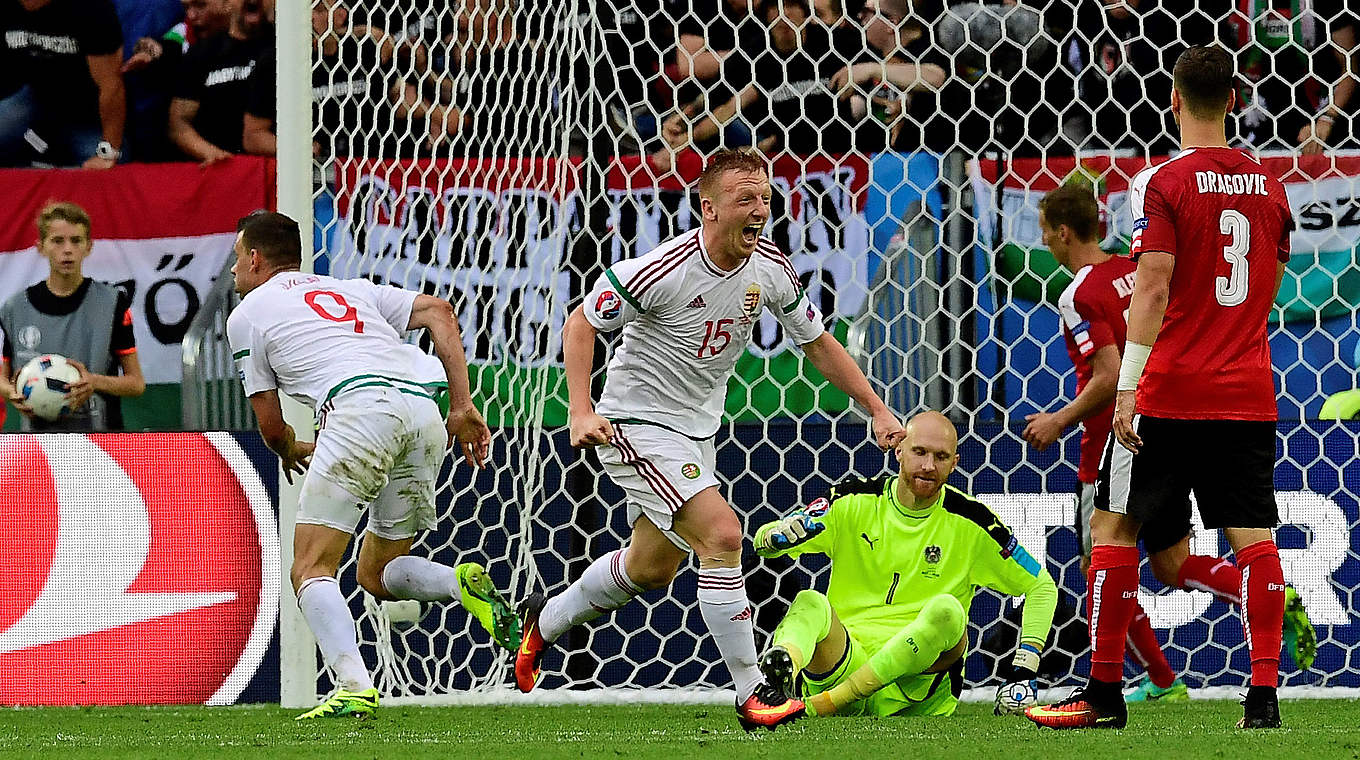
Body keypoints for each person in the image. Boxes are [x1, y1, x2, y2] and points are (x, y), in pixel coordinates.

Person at [513, 148, 906, 731]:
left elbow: (819, 343)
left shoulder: (769, 268)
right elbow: (579, 322)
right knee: (723, 535)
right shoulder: (662, 268)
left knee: (650, 569)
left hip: (698, 431)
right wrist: (580, 409)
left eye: (767, 199)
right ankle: (753, 692)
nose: (760, 210)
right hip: (635, 424)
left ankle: (541, 623)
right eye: (745, 199)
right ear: (708, 208)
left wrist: (875, 407)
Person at [1026, 46, 1301, 731]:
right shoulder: (1271, 185)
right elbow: (1272, 275)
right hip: (1246, 388)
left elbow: (1150, 287)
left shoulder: (1161, 179)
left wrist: (1127, 390)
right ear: (1234, 101)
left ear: (1173, 100)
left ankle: (1105, 695)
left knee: (1113, 528)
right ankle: (1263, 700)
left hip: (1168, 389)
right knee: (1253, 540)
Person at [225, 211, 516, 720]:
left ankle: (354, 685)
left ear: (254, 258)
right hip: (424, 411)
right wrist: (462, 405)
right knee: (376, 573)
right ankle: (458, 583)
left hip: (359, 410)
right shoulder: (351, 289)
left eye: (235, 258)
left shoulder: (248, 313)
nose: (233, 272)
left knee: (311, 567)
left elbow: (270, 425)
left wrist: (290, 447)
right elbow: (440, 312)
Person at [753, 411, 1058, 719]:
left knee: (948, 613)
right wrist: (774, 537)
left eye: (940, 457)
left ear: (955, 463)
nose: (928, 466)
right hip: (844, 662)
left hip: (914, 690)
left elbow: (1041, 586)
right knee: (810, 602)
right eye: (919, 452)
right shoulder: (851, 500)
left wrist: (1025, 666)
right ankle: (781, 676)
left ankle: (822, 705)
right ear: (899, 450)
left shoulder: (974, 522)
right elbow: (764, 545)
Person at [0, 202, 144, 431]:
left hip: (100, 441)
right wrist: (13, 392)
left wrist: (94, 381)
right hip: (37, 444)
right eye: (57, 241)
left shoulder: (112, 303)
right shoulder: (15, 308)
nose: (67, 250)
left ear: (88, 247)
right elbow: (3, 378)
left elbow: (136, 383)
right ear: (41, 247)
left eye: (76, 241)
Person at [0, 0, 126, 168]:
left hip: (88, 115)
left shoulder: (92, 9)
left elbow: (111, 87)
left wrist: (108, 152)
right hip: (34, 98)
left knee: (100, 175)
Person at [169, 0, 271, 164]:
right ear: (227, 3)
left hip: (274, 170)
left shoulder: (284, 49)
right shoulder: (202, 53)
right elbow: (179, 123)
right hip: (219, 169)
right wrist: (211, 153)